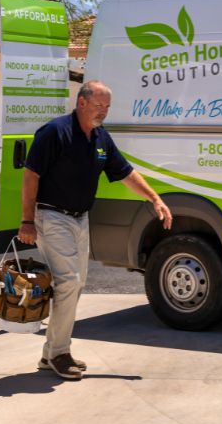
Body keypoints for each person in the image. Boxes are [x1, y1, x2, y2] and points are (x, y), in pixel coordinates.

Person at [17, 80, 173, 381]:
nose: (103, 111)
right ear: (82, 102)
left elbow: (125, 171)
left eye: (107, 107)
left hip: (80, 219)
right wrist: (26, 221)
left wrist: (154, 198)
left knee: (75, 284)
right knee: (69, 281)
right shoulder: (55, 132)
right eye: (99, 105)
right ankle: (60, 353)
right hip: (52, 216)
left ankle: (51, 353)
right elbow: (31, 176)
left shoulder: (100, 138)